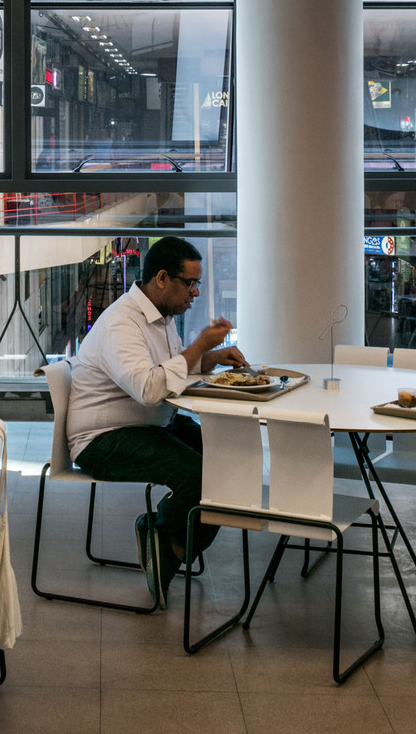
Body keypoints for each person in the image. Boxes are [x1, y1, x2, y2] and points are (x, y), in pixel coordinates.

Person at [66, 236, 247, 609]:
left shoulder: (161, 317)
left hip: (150, 425)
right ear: (162, 278)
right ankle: (160, 530)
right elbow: (149, 389)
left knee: (228, 461)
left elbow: (170, 370)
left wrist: (211, 357)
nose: (196, 293)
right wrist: (199, 346)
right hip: (103, 439)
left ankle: (172, 544)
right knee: (199, 476)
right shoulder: (122, 323)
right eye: (190, 283)